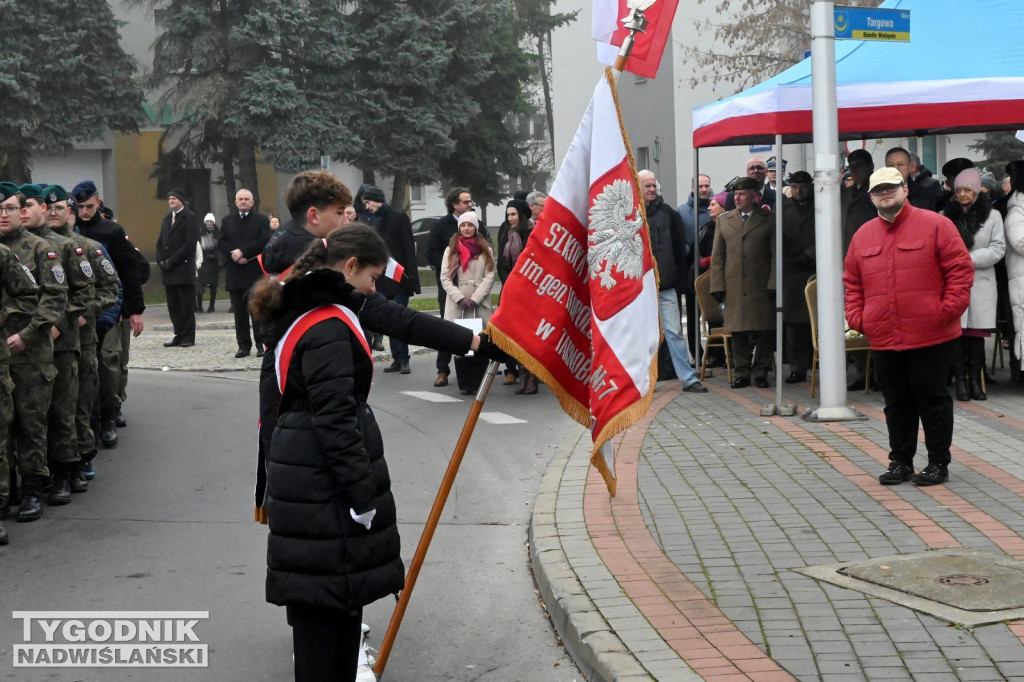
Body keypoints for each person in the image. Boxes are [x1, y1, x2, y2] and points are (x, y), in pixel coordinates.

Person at [250, 224, 504, 681]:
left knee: (333, 604)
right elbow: (334, 418)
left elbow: (405, 322)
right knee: (324, 616)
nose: (375, 287)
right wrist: (360, 495)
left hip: (305, 475)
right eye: (372, 277)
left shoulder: (318, 298)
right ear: (350, 268)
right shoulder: (326, 320)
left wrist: (478, 342)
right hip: (319, 482)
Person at [844, 167, 973, 487]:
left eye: (891, 187)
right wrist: (859, 319)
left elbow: (960, 272)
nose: (885, 193)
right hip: (885, 336)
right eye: (878, 190)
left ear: (905, 190)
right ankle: (900, 461)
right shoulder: (863, 236)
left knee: (932, 400)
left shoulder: (937, 225)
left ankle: (937, 463)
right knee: (896, 403)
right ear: (871, 197)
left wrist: (945, 313)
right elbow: (852, 283)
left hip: (932, 334)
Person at [20, 184, 95, 504]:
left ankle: (66, 469)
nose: (49, 212)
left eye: (52, 207)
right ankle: (33, 477)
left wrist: (65, 323)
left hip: (60, 341)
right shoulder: (11, 248)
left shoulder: (65, 247)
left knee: (64, 408)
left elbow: (83, 291)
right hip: (20, 342)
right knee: (28, 416)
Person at [0, 182, 68, 520]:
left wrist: (27, 334)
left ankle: (31, 489)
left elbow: (54, 297)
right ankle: (5, 489)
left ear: (21, 211)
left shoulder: (41, 248)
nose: (4, 215)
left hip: (30, 351)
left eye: (10, 208)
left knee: (31, 422)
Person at [639, 170, 707, 394]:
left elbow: (680, 249)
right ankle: (644, 380)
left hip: (666, 285)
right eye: (646, 186)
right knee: (643, 336)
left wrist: (677, 280)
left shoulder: (669, 214)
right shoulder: (629, 214)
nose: (651, 189)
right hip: (639, 288)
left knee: (674, 332)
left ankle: (687, 378)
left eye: (653, 186)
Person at [942, 167, 1005, 402]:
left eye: (968, 189)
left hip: (981, 281)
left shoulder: (993, 216)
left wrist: (967, 260)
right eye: (958, 190)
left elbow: (998, 248)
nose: (963, 194)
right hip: (953, 281)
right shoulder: (944, 215)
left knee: (976, 334)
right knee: (957, 333)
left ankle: (975, 381)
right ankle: (960, 381)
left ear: (977, 190)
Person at [710, 176, 776, 389]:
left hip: (760, 284)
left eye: (742, 194)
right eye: (735, 194)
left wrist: (774, 284)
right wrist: (717, 286)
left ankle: (761, 372)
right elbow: (717, 257)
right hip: (735, 285)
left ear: (754, 196)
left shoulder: (769, 218)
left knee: (764, 331)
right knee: (738, 332)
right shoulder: (725, 220)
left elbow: (776, 255)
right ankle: (741, 372)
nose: (737, 198)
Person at [425, 188, 489, 388]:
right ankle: (443, 370)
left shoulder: (482, 233)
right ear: (454, 204)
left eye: (470, 201)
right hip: (452, 291)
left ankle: (480, 373)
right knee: (449, 332)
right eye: (465, 201)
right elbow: (431, 254)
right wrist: (455, 266)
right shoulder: (441, 226)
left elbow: (489, 268)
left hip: (477, 296)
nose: (470, 204)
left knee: (480, 336)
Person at [362, 186, 420, 375]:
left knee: (398, 318)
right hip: (382, 278)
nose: (367, 206)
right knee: (388, 319)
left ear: (376, 200)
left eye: (368, 202)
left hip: (399, 276)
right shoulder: (373, 221)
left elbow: (408, 248)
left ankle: (404, 359)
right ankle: (397, 358)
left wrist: (411, 277)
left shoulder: (398, 217)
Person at [440, 212, 496, 395]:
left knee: (481, 341)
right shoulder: (451, 250)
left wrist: (476, 298)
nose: (466, 228)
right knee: (460, 342)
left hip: (479, 303)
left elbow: (490, 276)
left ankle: (479, 382)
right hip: (458, 303)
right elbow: (445, 277)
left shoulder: (485, 249)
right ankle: (465, 383)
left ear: (475, 228)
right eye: (463, 225)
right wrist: (459, 297)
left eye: (470, 225)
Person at [262, 171, 352, 275]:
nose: (347, 221)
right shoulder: (313, 255)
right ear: (314, 216)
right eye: (340, 213)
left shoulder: (282, 237)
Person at [219, 189, 272, 357]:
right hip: (235, 272)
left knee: (257, 310)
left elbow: (263, 240)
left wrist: (243, 251)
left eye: (246, 199)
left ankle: (260, 344)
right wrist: (234, 254)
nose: (243, 201)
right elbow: (221, 242)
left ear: (252, 202)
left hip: (253, 271)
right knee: (239, 312)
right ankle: (243, 345)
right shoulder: (227, 221)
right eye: (240, 199)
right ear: (235, 202)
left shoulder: (261, 220)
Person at [780, 171, 816, 383]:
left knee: (820, 320)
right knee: (794, 325)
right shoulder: (782, 209)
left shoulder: (822, 203)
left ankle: (820, 362)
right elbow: (776, 238)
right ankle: (797, 368)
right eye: (794, 186)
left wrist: (810, 254)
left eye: (802, 186)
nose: (798, 191)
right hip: (791, 270)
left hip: (816, 267)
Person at [156, 189, 200, 347]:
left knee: (186, 305)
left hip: (182, 269)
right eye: (169, 198)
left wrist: (171, 261)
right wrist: (160, 260)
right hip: (168, 271)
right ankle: (178, 333)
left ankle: (188, 336)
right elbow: (161, 241)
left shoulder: (190, 218)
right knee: (173, 305)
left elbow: (189, 245)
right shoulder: (167, 219)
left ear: (181, 200)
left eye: (174, 198)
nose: (171, 201)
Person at [496, 199, 532, 386]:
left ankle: (529, 373)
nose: (510, 218)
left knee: (527, 333)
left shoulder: (532, 231)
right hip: (509, 288)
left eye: (514, 214)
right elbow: (501, 265)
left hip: (528, 289)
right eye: (508, 214)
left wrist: (520, 283)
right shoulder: (504, 231)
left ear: (522, 215)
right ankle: (510, 369)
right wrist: (509, 283)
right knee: (508, 329)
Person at [678, 174, 711, 360]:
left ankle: (717, 354)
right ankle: (696, 354)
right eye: (700, 186)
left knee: (714, 314)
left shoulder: (717, 207)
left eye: (706, 185)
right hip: (692, 271)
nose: (704, 189)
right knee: (693, 315)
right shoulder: (683, 211)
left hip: (712, 268)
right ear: (692, 188)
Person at [885, 146, 942, 211]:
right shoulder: (877, 194)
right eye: (891, 165)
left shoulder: (924, 193)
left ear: (911, 167)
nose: (896, 169)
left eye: (900, 164)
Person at [196, 213, 220, 313]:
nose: (209, 223)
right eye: (207, 221)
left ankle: (212, 305)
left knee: (213, 284)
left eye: (211, 222)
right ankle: (200, 306)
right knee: (200, 284)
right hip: (203, 260)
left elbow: (220, 246)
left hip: (214, 261)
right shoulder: (200, 233)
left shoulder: (217, 233)